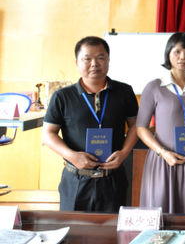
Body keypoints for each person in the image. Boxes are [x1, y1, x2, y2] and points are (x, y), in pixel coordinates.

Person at [42, 36, 139, 211]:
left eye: (100, 57)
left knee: (113, 227)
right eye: (87, 59)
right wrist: (72, 156)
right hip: (76, 179)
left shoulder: (124, 91)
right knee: (74, 227)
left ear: (108, 60)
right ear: (77, 63)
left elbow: (135, 125)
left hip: (113, 178)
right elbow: (48, 134)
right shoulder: (63, 96)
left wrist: (124, 153)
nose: (94, 64)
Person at [136, 32, 185, 214]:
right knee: (160, 216)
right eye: (177, 51)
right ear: (168, 54)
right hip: (163, 161)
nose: (182, 57)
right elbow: (141, 128)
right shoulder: (154, 87)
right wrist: (163, 153)